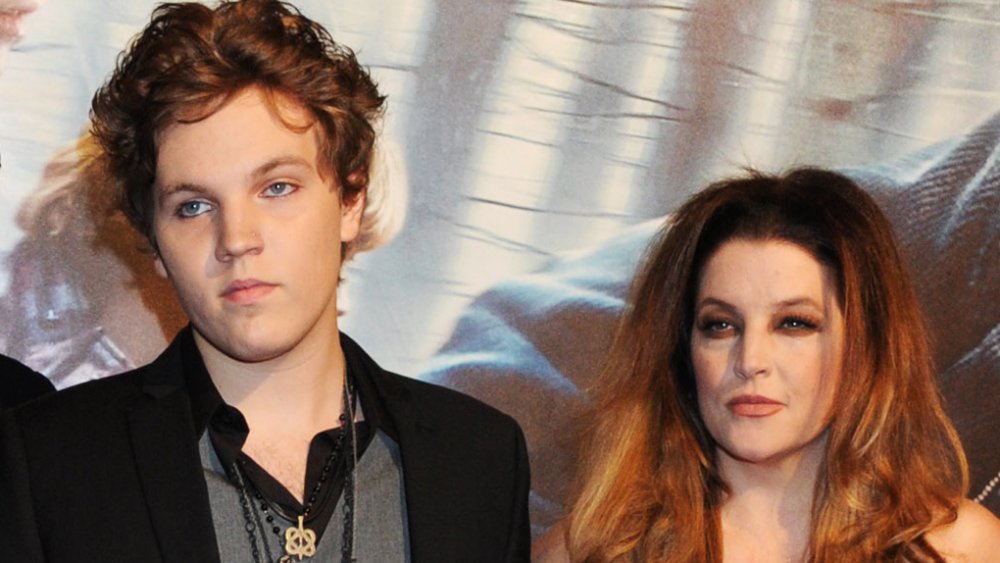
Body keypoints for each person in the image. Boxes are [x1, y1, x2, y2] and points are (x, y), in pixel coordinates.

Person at [0, 1, 530, 561]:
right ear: (153, 244)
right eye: (194, 205)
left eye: (276, 187)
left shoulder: (481, 460)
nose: (237, 237)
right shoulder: (48, 464)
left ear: (351, 200)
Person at [534, 169, 1000, 561]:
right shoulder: (588, 553)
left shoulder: (961, 550)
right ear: (681, 350)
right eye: (720, 326)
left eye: (794, 324)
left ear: (865, 346)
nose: (750, 361)